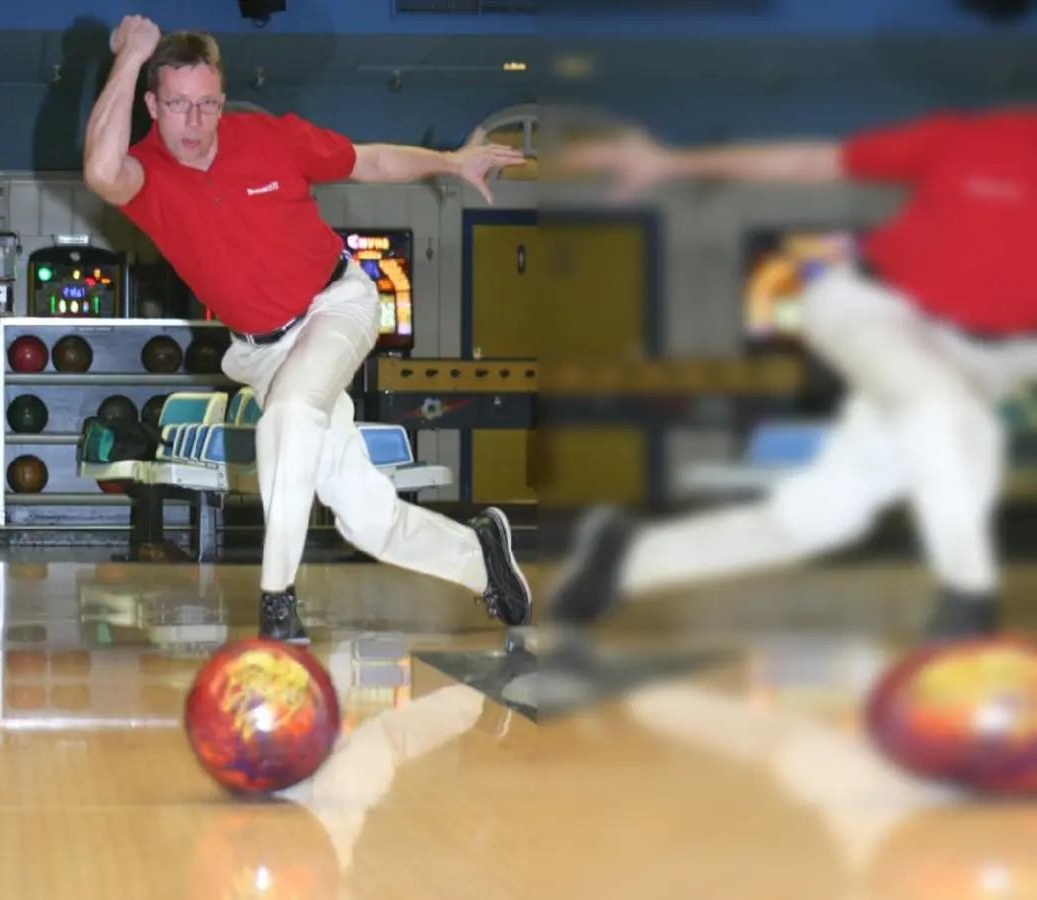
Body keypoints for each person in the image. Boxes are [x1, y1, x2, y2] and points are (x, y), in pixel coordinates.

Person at [83, 16, 531, 644]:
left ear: (221, 98)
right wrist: (130, 57)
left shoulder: (268, 138)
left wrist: (453, 163)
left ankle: (276, 601)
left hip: (337, 306)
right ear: (151, 105)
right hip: (263, 353)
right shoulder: (145, 173)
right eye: (178, 105)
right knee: (361, 517)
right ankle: (480, 556)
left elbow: (368, 160)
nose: (194, 121)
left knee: (289, 415)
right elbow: (100, 171)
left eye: (207, 104)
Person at [546, 112, 1037, 640]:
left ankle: (628, 558)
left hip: (996, 356)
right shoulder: (978, 140)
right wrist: (672, 162)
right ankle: (969, 601)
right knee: (947, 414)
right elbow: (810, 160)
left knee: (819, 520)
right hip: (877, 311)